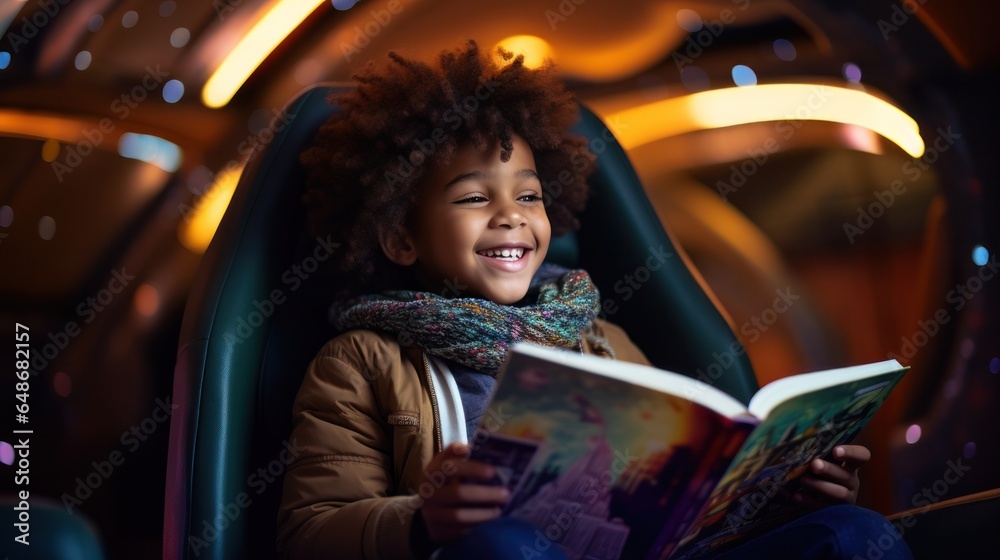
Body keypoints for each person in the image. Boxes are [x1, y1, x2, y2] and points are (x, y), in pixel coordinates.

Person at [276, 41, 912, 560]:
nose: (510, 217)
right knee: (505, 548)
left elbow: (681, 502)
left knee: (856, 533)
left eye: (529, 197)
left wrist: (786, 489)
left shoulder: (602, 338)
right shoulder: (358, 362)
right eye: (474, 198)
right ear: (399, 236)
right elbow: (310, 533)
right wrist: (423, 521)